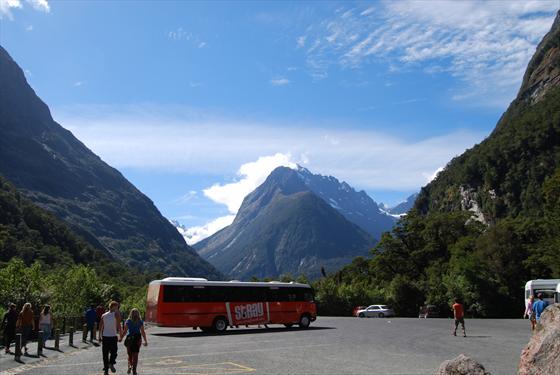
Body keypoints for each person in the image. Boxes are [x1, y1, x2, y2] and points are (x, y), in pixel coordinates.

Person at [120, 308, 148, 375]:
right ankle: (134, 370)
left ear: (131, 313)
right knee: (135, 355)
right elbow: (142, 332)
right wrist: (145, 340)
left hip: (129, 338)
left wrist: (121, 338)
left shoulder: (128, 321)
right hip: (137, 339)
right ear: (138, 314)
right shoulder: (140, 321)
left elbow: (125, 331)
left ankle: (129, 366)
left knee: (129, 354)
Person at [99, 301, 122, 375]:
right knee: (114, 352)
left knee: (105, 354)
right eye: (117, 307)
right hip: (112, 336)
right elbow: (119, 326)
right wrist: (120, 336)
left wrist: (99, 336)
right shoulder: (116, 314)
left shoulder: (103, 315)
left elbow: (100, 327)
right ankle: (111, 363)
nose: (117, 308)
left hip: (105, 337)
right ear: (113, 307)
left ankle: (106, 371)